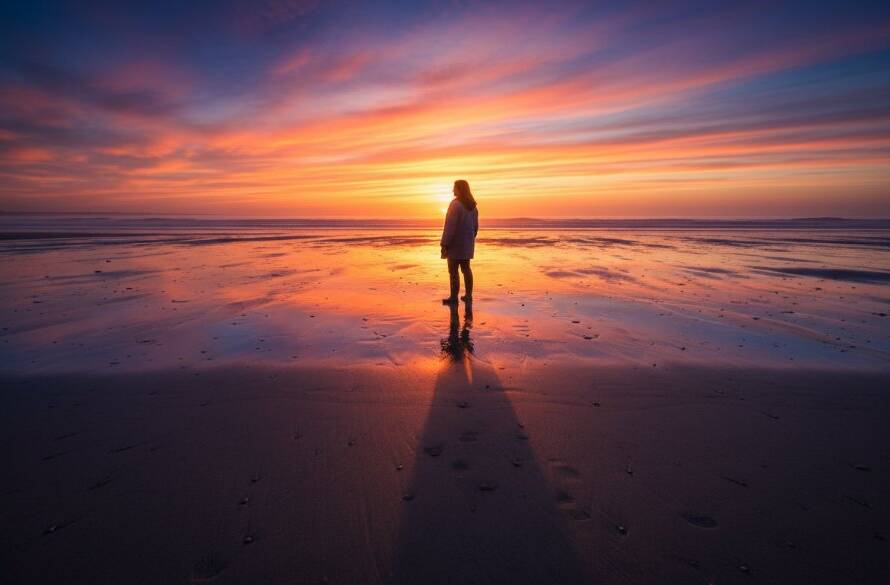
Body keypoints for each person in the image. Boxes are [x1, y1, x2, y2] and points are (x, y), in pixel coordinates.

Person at [440, 179, 478, 304]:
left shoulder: (455, 205)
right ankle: (468, 295)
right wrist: (470, 239)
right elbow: (476, 227)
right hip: (467, 244)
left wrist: (444, 244)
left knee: (453, 271)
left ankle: (453, 297)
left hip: (455, 245)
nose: (452, 190)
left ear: (460, 189)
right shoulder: (472, 206)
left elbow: (450, 226)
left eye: (454, 188)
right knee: (466, 269)